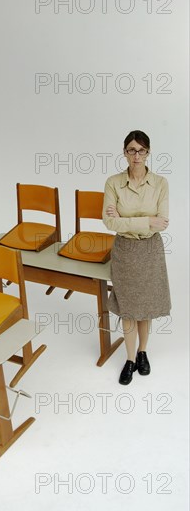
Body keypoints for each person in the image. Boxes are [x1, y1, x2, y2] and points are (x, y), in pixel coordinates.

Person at [102, 130, 171, 384]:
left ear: (148, 152)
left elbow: (161, 223)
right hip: (126, 252)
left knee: (146, 309)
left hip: (150, 251)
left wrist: (126, 220)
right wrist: (145, 220)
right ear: (124, 153)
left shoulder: (161, 183)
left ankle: (143, 352)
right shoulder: (113, 182)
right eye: (132, 150)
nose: (136, 156)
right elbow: (109, 222)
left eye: (141, 150)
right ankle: (130, 359)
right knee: (129, 310)